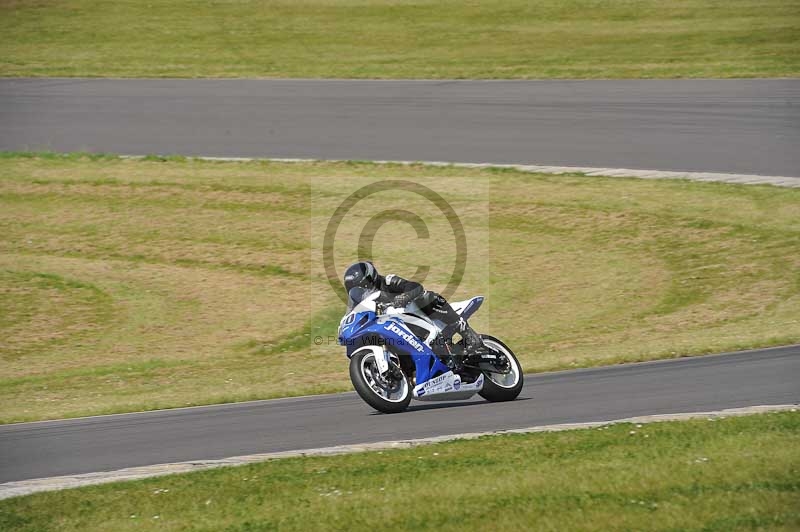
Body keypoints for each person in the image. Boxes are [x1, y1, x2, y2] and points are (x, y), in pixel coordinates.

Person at [342, 261, 484, 358]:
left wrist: (404, 296)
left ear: (370, 279)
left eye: (362, 287)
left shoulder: (387, 281)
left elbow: (415, 286)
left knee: (426, 297)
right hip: (393, 328)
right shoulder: (363, 303)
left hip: (416, 314)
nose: (362, 292)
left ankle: (466, 332)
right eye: (355, 290)